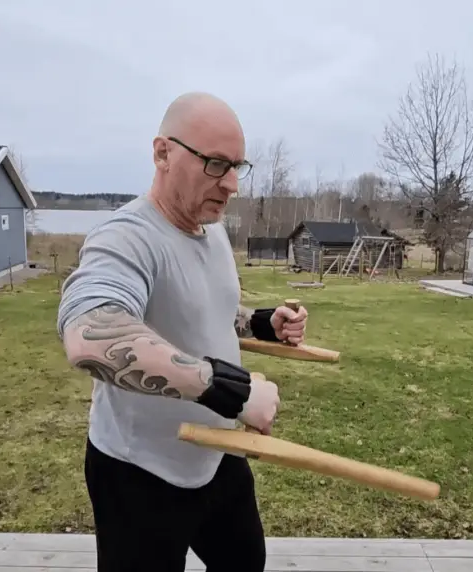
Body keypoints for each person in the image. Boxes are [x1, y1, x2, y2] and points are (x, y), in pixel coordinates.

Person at [56, 91, 308, 572]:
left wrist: (261, 322)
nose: (231, 183)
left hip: (217, 456)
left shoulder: (210, 228)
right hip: (139, 472)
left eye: (237, 165)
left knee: (244, 564)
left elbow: (206, 309)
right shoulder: (126, 237)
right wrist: (231, 390)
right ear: (162, 153)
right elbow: (89, 336)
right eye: (215, 164)